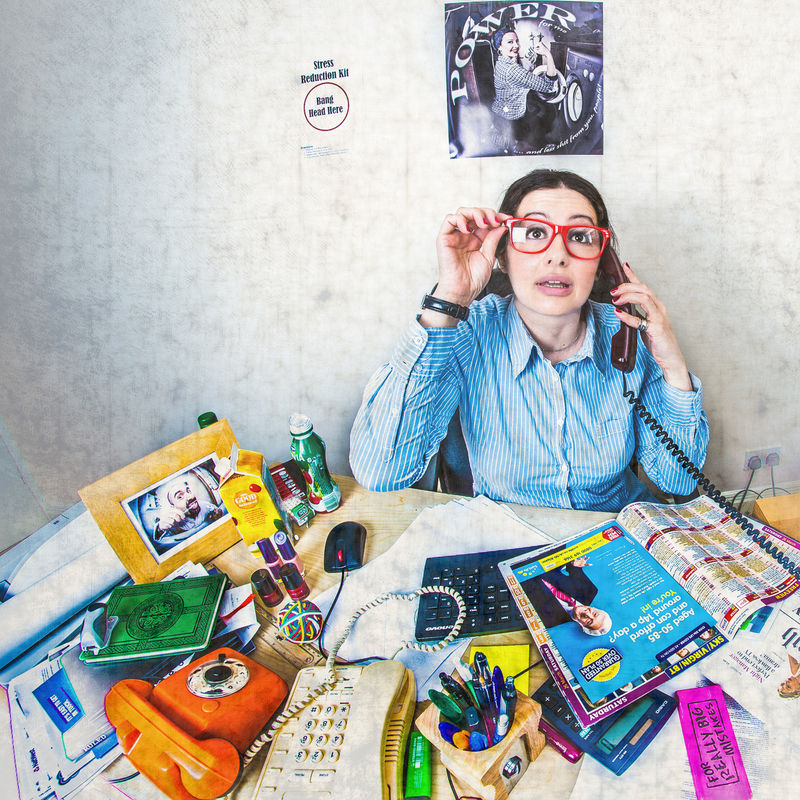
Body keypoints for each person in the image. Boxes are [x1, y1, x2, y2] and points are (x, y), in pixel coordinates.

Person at [349, 169, 709, 512]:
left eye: (580, 236)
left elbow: (677, 480)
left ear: (602, 262)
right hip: (511, 534)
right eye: (535, 232)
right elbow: (381, 472)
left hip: (615, 529)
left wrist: (673, 366)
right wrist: (448, 299)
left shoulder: (626, 335)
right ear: (502, 255)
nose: (557, 256)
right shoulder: (465, 334)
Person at [490, 27, 558, 149]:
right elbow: (550, 86)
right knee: (549, 112)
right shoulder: (512, 70)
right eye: (510, 42)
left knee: (535, 108)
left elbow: (520, 79)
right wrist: (547, 54)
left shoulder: (501, 62)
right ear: (499, 46)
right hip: (511, 120)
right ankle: (536, 145)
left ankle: (515, 140)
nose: (516, 45)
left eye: (516, 41)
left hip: (499, 113)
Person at [520, 557, 611, 635]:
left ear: (582, 627)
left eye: (589, 621)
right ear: (595, 609)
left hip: (520, 576)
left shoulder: (550, 621)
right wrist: (575, 564)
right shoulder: (590, 591)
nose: (587, 614)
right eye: (594, 614)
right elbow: (573, 568)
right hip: (539, 561)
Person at [152, 476, 223, 550]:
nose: (190, 497)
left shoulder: (204, 505)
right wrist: (160, 529)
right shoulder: (173, 526)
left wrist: (217, 513)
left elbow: (216, 510)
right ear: (174, 507)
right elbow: (159, 542)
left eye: (188, 491)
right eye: (180, 497)